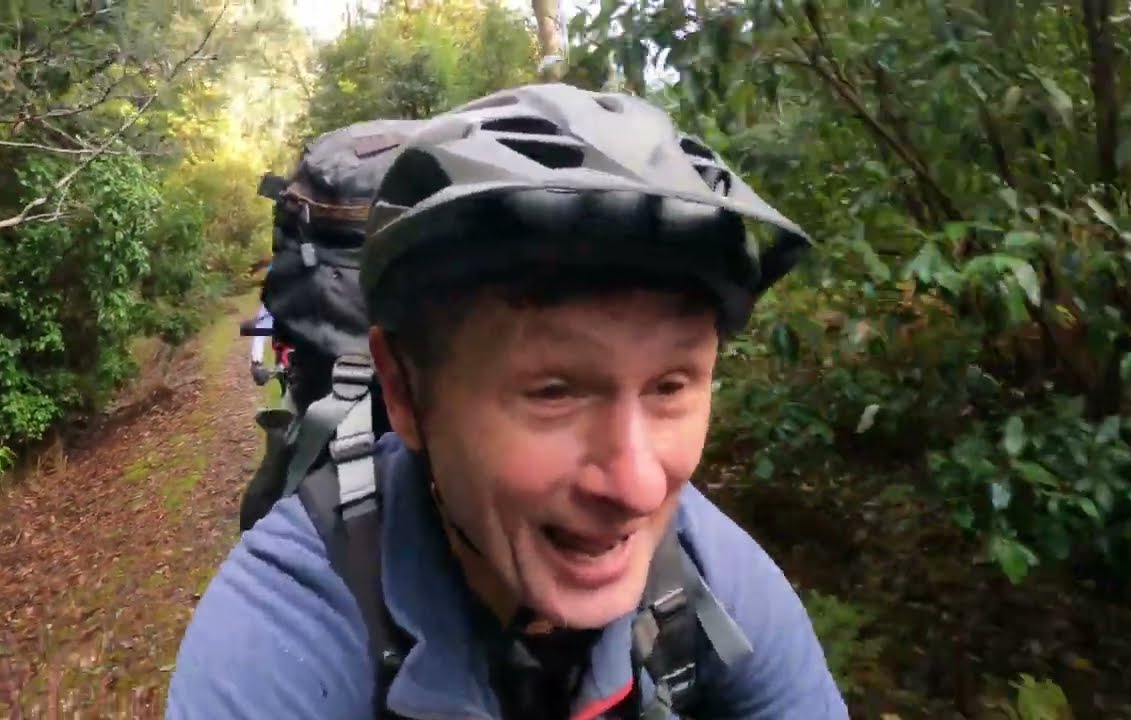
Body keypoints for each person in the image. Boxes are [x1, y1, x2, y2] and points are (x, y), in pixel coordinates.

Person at [166, 84, 847, 719]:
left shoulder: (699, 567)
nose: (639, 486)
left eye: (671, 386)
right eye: (555, 392)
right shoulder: (282, 631)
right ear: (404, 392)